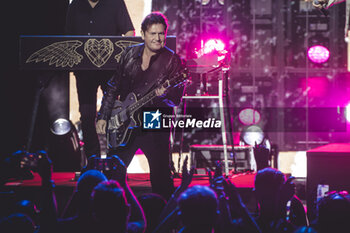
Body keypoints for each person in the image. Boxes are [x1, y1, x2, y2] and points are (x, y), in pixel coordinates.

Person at [96, 12, 187, 200]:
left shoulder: (172, 60)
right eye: (153, 33)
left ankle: (162, 222)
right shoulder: (129, 54)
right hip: (124, 120)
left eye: (161, 34)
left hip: (154, 119)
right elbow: (113, 86)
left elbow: (176, 99)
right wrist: (104, 115)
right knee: (114, 174)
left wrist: (165, 95)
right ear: (143, 34)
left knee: (160, 175)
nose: (158, 38)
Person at [65, 0, 135, 159]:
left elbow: (129, 33)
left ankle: (114, 157)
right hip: (84, 72)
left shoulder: (116, 3)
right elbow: (67, 38)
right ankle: (92, 158)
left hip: (111, 71)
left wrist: (123, 59)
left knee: (113, 113)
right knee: (87, 115)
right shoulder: (75, 5)